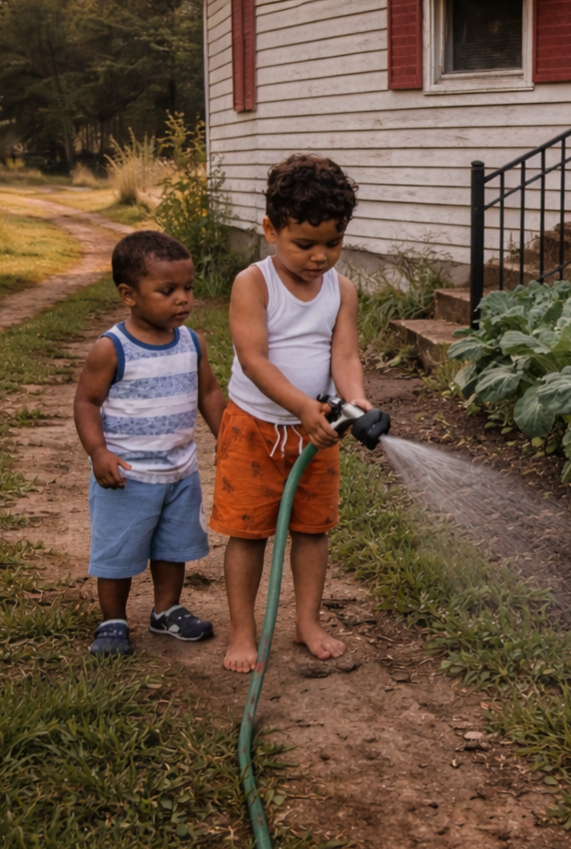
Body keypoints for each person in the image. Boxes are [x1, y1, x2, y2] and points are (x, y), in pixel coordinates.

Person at [213, 154, 368, 672]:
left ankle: (307, 621)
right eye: (305, 244)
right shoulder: (253, 284)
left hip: (314, 434)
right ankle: (242, 630)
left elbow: (343, 355)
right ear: (270, 230)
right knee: (247, 531)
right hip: (255, 429)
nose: (320, 257)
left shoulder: (341, 290)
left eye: (334, 243)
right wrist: (302, 405)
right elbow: (254, 360)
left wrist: (356, 400)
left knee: (312, 529)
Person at [73, 230, 226, 657]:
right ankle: (113, 620)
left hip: (180, 471)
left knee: (172, 548)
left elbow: (209, 394)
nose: (183, 299)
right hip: (127, 475)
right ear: (129, 294)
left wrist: (229, 438)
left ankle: (166, 610)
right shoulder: (113, 348)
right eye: (168, 290)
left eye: (188, 288)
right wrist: (98, 452)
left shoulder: (192, 343)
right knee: (119, 551)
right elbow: (86, 401)